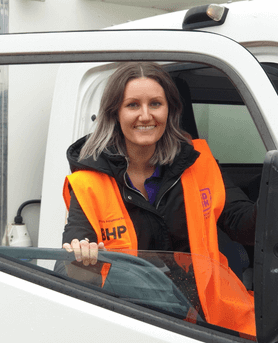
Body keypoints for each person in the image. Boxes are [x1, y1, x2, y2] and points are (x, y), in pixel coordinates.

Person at [61, 62, 256, 336]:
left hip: (211, 320)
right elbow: (70, 266)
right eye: (132, 105)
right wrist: (81, 260)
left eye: (155, 104)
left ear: (170, 111)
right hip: (135, 324)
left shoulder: (198, 163)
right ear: (115, 113)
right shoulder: (89, 182)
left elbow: (244, 224)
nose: (145, 115)